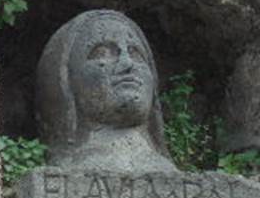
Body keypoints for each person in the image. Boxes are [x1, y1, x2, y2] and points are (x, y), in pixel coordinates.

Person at [36, 9, 176, 173]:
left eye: (136, 53)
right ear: (65, 79)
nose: (127, 64)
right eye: (102, 53)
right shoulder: (64, 175)